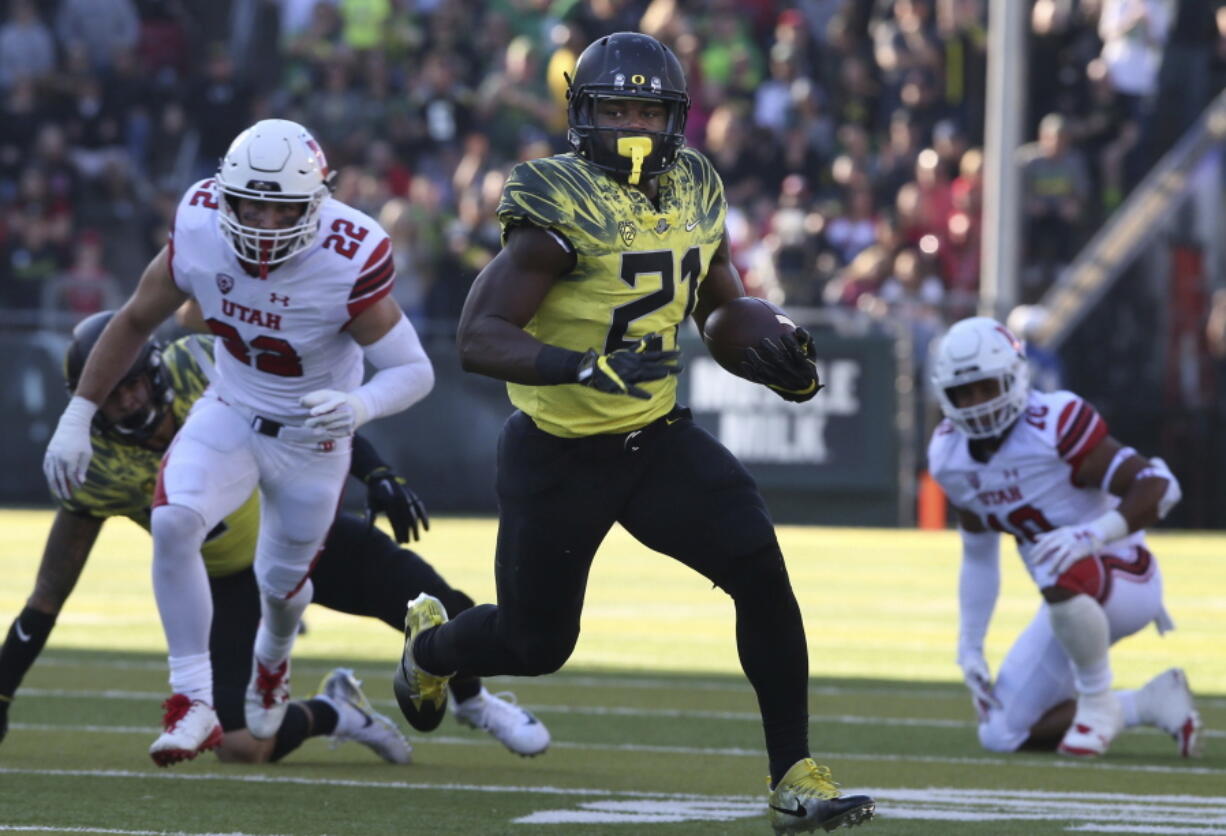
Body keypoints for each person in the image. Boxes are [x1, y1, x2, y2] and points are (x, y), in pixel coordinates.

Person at [391, 32, 874, 834]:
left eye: (646, 109)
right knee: (537, 642)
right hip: (558, 453)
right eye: (614, 108)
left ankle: (793, 773)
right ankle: (432, 649)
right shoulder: (557, 204)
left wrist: (774, 352)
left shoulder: (695, 186)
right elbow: (478, 335)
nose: (631, 125)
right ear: (581, 115)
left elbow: (719, 307)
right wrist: (577, 367)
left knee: (760, 570)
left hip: (655, 439)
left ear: (675, 117)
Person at [42, 119, 436, 765]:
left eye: (280, 206)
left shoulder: (348, 253)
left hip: (310, 440)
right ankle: (191, 701)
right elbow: (136, 318)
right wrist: (78, 414)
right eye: (249, 202)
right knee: (173, 523)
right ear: (224, 195)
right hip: (230, 408)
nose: (261, 220)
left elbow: (414, 370)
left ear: (316, 202)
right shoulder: (199, 224)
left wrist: (360, 405)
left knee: (282, 591)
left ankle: (274, 662)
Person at [3, 314, 550, 763]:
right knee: (240, 744)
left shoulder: (200, 365)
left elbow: (300, 413)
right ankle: (338, 711)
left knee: (433, 605)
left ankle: (473, 700)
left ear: (153, 369)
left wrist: (375, 471)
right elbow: (49, 592)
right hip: (226, 582)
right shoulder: (93, 464)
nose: (121, 402)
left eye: (130, 385)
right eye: (105, 392)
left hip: (300, 533)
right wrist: (4, 689)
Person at [927, 316, 1203, 758]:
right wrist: (970, 645)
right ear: (947, 394)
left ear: (1014, 377)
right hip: (1067, 601)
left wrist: (1093, 535)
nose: (977, 403)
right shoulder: (949, 457)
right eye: (965, 392)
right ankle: (1145, 702)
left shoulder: (1054, 423)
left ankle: (1096, 703)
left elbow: (1160, 485)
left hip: (1124, 576)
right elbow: (978, 556)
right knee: (1000, 732)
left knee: (1056, 559)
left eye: (987, 387)